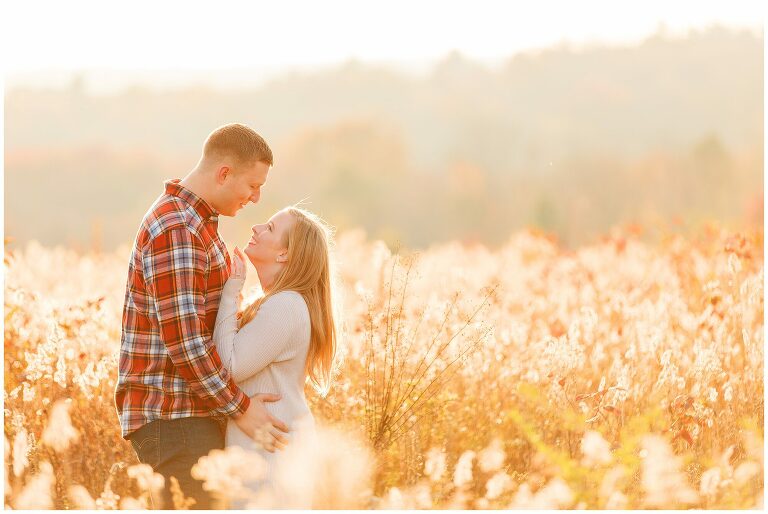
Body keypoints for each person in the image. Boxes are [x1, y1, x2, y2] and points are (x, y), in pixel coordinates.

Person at [115, 123, 290, 509]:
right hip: (174, 417)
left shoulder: (196, 224)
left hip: (190, 414)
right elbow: (187, 345)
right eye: (253, 185)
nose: (256, 198)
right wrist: (241, 408)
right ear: (224, 173)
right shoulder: (177, 228)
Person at [212, 206, 339, 508]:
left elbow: (228, 367)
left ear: (284, 254)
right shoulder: (279, 302)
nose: (256, 228)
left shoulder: (286, 306)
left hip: (271, 458)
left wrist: (231, 291)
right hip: (267, 453)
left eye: (269, 228)